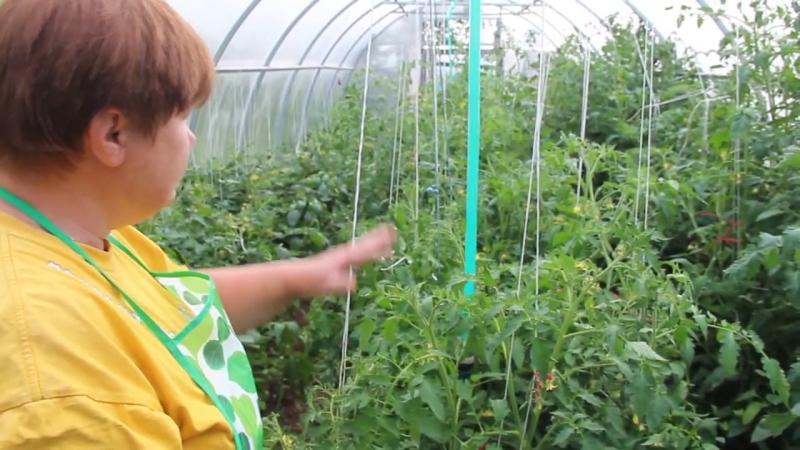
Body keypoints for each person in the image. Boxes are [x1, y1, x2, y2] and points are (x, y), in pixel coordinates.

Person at [0, 1, 396, 449]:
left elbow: (162, 309)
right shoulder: (61, 387)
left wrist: (297, 277)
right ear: (114, 134)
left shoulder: (77, 236)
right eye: (183, 116)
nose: (191, 136)